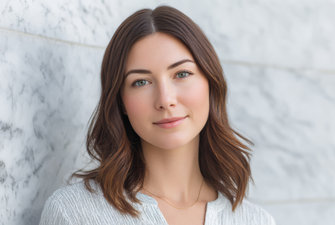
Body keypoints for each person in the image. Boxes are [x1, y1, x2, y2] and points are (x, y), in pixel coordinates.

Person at [39, 5, 276, 225]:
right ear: (120, 100)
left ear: (211, 84)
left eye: (182, 74)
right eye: (141, 82)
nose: (165, 100)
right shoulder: (73, 213)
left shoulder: (256, 220)